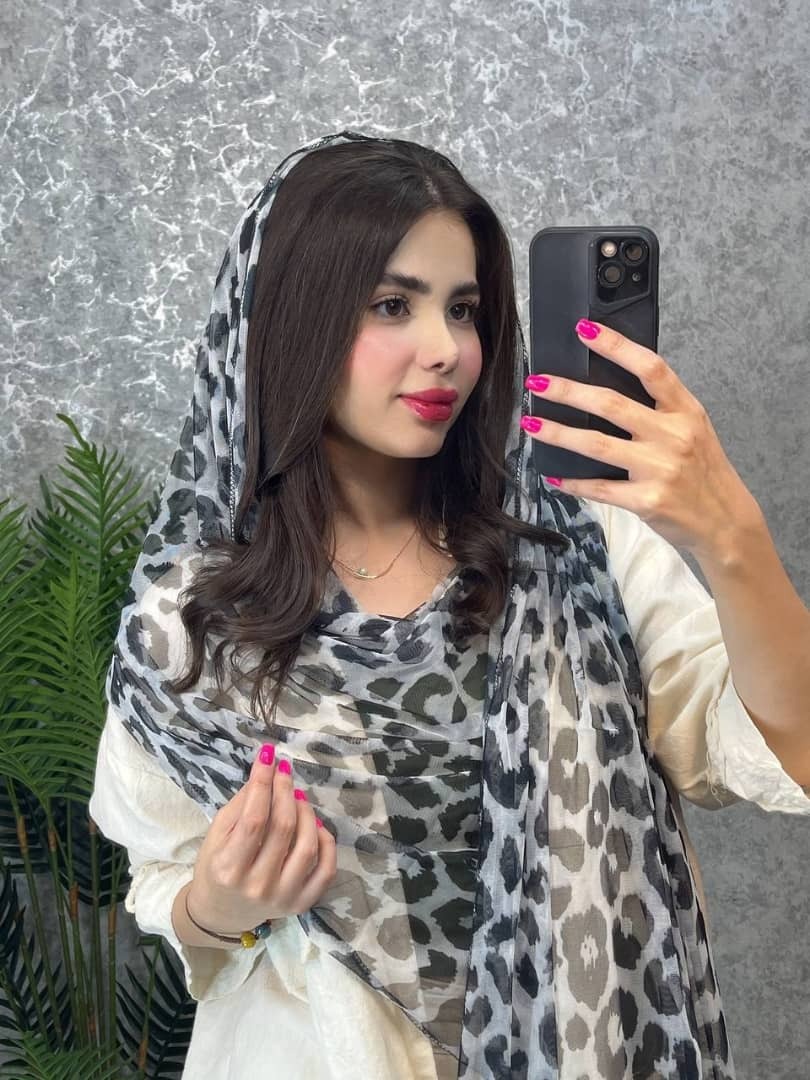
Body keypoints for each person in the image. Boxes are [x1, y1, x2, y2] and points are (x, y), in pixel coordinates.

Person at [89, 130, 810, 1080]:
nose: (447, 351)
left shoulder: (572, 550)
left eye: (463, 310)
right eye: (394, 305)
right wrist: (220, 906)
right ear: (294, 322)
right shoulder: (194, 621)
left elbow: (782, 749)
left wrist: (734, 538)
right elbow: (163, 882)